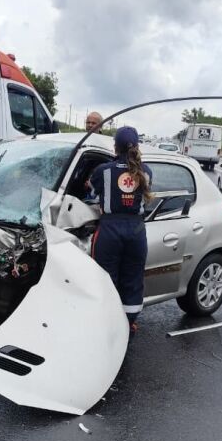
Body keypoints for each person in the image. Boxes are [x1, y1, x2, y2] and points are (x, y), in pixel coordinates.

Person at [86, 126, 153, 338]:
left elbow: (91, 192)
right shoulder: (146, 172)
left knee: (106, 278)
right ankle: (129, 324)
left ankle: (107, 323)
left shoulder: (103, 171)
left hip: (110, 230)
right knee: (132, 279)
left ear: (115, 146)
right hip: (136, 231)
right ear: (137, 147)